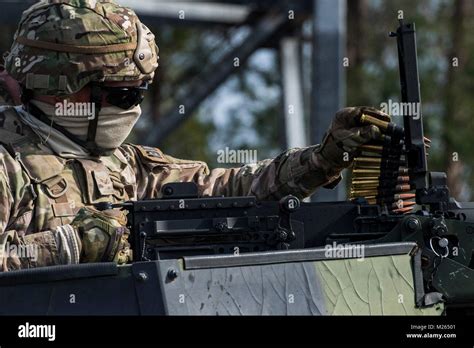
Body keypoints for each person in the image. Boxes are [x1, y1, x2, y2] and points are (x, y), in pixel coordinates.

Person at [0, 0, 387, 271]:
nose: (133, 106)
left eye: (139, 93)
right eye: (122, 94)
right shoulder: (8, 165)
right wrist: (71, 247)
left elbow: (234, 192)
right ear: (62, 88)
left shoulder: (128, 167)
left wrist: (324, 158)